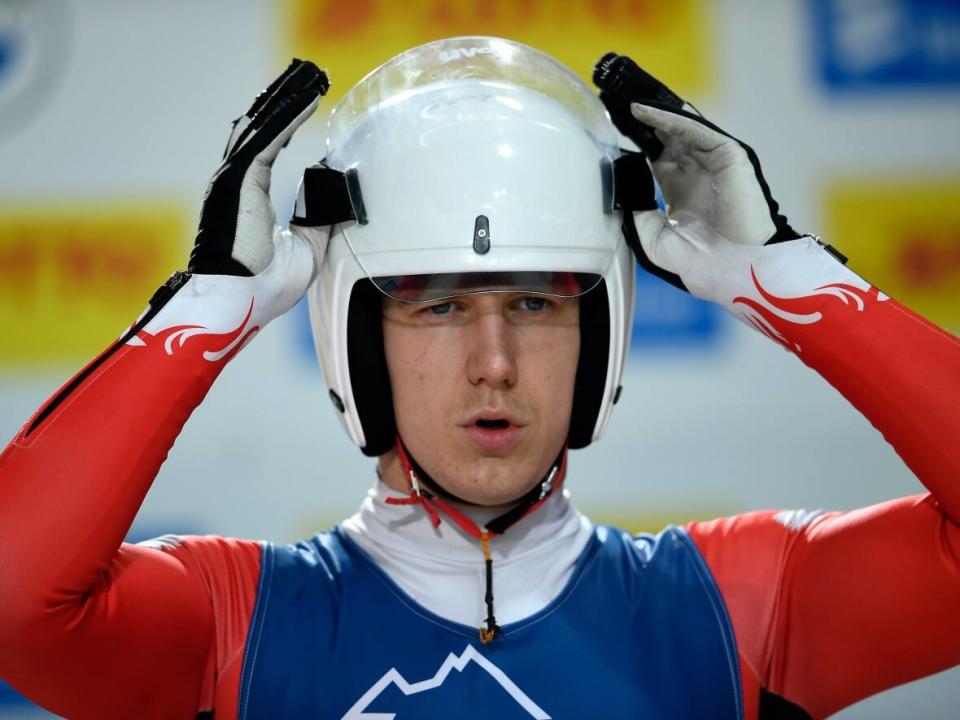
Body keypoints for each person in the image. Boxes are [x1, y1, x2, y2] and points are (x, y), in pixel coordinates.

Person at [0, 36, 957, 720]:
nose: (493, 363)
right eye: (439, 305)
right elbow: (14, 601)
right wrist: (208, 309)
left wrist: (787, 281)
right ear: (357, 337)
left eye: (537, 305)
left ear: (602, 334)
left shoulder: (741, 605)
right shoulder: (232, 625)